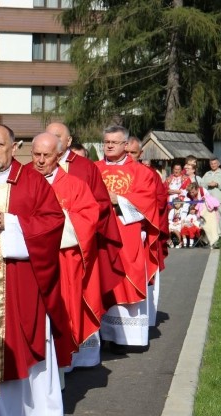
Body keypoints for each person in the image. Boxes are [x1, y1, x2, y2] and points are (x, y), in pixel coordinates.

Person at [0, 124, 75, 416]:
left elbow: (53, 223)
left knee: (27, 343)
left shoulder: (31, 181)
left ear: (14, 147)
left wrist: (11, 223)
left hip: (21, 282)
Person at [31, 133, 102, 370]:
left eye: (46, 155)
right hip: (28, 263)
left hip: (61, 263)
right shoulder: (23, 182)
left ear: (59, 156)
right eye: (36, 154)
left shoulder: (74, 185)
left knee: (60, 316)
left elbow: (88, 220)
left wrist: (47, 230)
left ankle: (61, 367)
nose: (40, 160)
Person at [46, 122, 124, 312]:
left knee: (80, 297)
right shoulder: (35, 168)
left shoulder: (86, 167)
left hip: (79, 247)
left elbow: (102, 204)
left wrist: (74, 222)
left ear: (69, 141)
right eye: (48, 136)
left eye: (58, 137)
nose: (52, 141)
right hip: (44, 248)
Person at [94, 125, 160, 350]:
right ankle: (103, 334)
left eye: (114, 142)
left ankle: (128, 338)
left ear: (125, 145)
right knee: (102, 280)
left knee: (125, 279)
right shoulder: (93, 169)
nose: (109, 145)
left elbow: (148, 202)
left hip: (126, 232)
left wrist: (118, 199)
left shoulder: (141, 172)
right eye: (106, 141)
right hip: (100, 233)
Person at [126, 136, 168, 328]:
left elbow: (158, 203)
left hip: (143, 235)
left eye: (132, 153)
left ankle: (144, 322)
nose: (128, 156)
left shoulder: (149, 175)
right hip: (118, 236)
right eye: (125, 152)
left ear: (140, 154)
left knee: (143, 279)